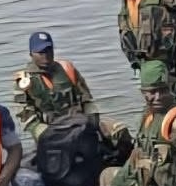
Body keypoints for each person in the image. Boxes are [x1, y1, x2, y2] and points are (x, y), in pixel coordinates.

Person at [12, 31, 133, 162]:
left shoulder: (66, 69)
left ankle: (126, 163)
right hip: (51, 129)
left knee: (118, 130)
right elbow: (24, 115)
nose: (45, 56)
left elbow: (86, 98)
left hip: (79, 122)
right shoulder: (24, 81)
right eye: (40, 53)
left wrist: (93, 119)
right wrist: (41, 131)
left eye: (48, 50)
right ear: (31, 54)